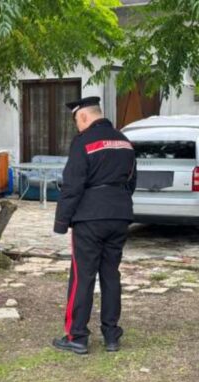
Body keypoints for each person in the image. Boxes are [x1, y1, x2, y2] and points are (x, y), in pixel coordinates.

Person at [52, 97, 136, 354]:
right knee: (111, 275)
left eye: (77, 120)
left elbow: (73, 184)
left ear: (85, 117)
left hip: (89, 218)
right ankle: (111, 335)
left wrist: (61, 221)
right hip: (120, 216)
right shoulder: (125, 142)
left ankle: (77, 336)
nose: (77, 126)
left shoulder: (83, 142)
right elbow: (131, 181)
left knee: (82, 277)